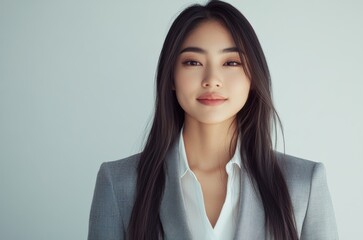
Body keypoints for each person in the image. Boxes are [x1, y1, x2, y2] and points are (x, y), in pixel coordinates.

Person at [88, 1, 338, 239]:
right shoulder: (119, 183)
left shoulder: (304, 183)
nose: (212, 79)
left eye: (231, 62)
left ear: (253, 78)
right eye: (193, 62)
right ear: (171, 77)